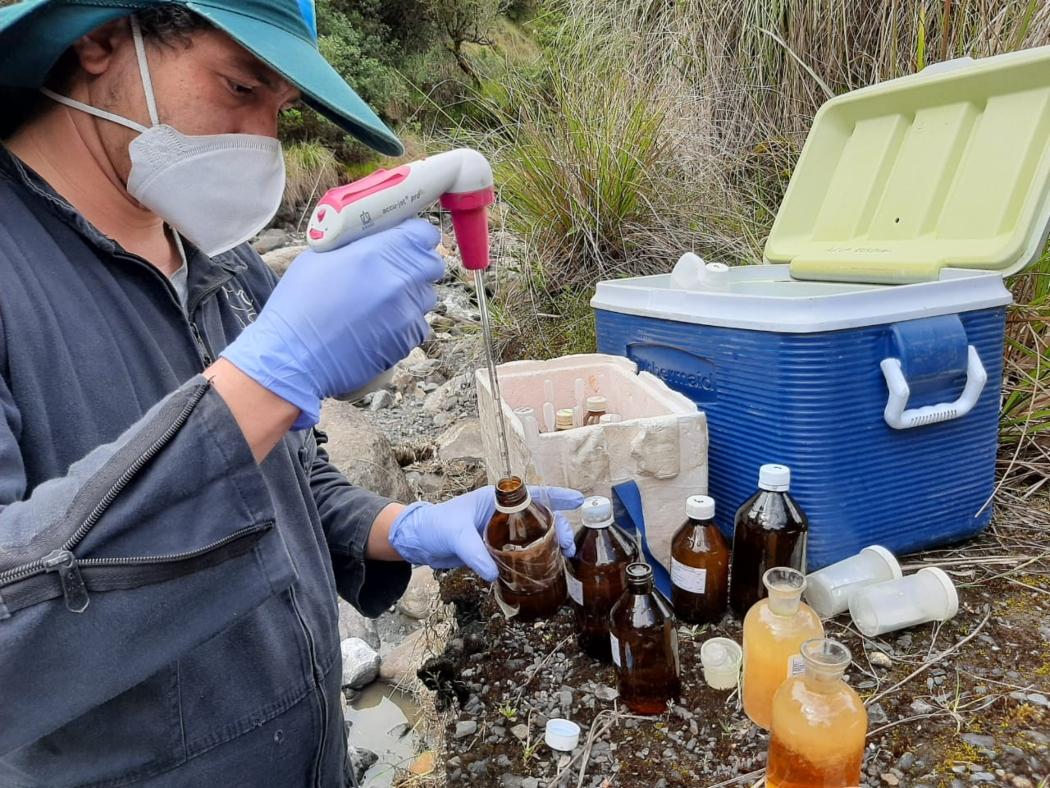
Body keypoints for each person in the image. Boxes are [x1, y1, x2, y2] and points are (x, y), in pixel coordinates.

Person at [0, 1, 582, 785]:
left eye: (280, 110)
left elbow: (287, 474)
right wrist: (266, 379)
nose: (261, 142)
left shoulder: (224, 260)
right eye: (241, 88)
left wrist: (400, 527)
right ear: (103, 37)